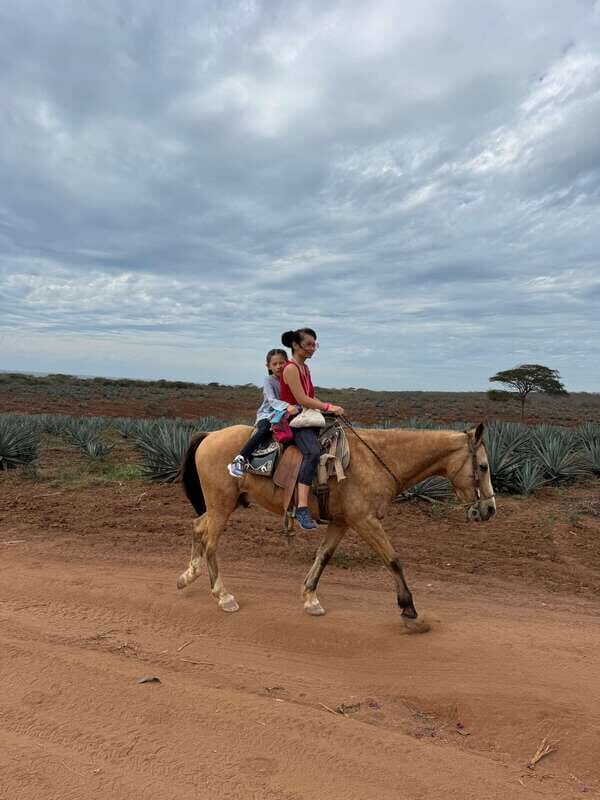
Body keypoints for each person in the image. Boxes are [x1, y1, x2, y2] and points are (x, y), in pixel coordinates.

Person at [279, 328, 345, 531]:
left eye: (314, 344)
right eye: (308, 344)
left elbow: (311, 396)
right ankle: (302, 508)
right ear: (295, 345)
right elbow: (300, 399)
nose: (312, 349)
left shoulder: (304, 368)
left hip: (306, 414)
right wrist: (326, 407)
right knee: (313, 452)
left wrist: (328, 406)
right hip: (293, 418)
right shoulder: (291, 368)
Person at [227, 349, 299, 477]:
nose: (278, 366)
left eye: (281, 363)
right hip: (268, 414)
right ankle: (240, 459)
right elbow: (271, 400)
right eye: (274, 364)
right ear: (268, 366)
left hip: (287, 414)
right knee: (264, 429)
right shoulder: (269, 380)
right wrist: (287, 406)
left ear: (287, 363)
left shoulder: (291, 380)